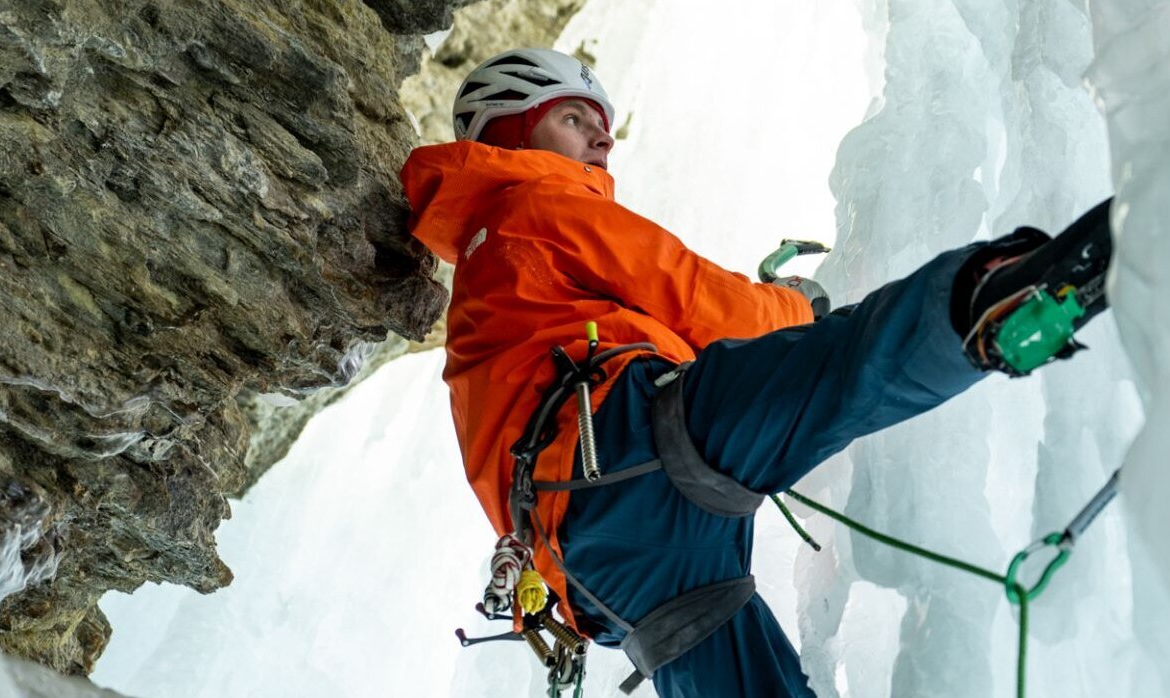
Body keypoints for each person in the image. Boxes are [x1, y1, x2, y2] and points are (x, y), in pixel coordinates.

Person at [400, 48, 1113, 697]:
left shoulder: (487, 289)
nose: (601, 136)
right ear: (511, 133)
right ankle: (998, 299)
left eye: (601, 121)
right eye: (572, 116)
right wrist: (798, 308)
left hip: (609, 578)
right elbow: (696, 295)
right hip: (631, 446)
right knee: (844, 363)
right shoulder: (536, 204)